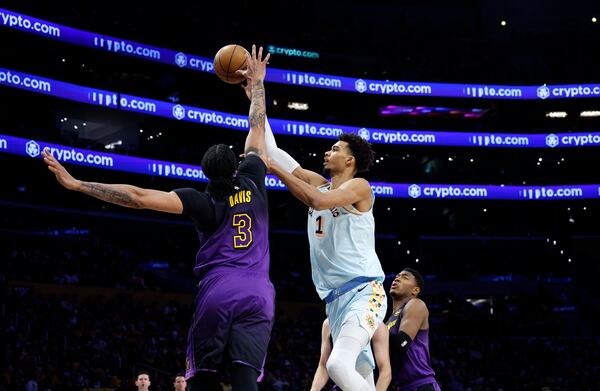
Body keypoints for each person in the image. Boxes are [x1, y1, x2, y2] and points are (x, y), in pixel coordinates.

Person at [43, 45, 272, 391]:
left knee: (203, 374)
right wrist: (257, 85)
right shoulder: (254, 178)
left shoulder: (201, 200)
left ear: (206, 173)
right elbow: (257, 128)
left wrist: (78, 185)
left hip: (219, 288)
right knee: (244, 376)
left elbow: (137, 198)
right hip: (259, 290)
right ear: (237, 164)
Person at [263, 119, 386, 390]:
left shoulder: (360, 187)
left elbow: (315, 201)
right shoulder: (319, 184)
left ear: (350, 160)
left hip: (364, 292)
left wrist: (273, 170)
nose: (327, 153)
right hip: (335, 303)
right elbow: (271, 151)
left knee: (336, 365)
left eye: (334, 149)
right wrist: (256, 90)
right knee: (360, 377)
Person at [387, 268, 440, 391]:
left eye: (404, 277)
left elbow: (402, 343)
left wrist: (374, 329)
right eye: (397, 276)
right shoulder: (389, 321)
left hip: (420, 384)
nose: (397, 278)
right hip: (401, 387)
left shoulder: (415, 304)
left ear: (415, 290)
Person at [311, 319, 391, 391]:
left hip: (365, 383)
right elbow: (323, 366)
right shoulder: (328, 323)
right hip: (340, 384)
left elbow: (385, 371)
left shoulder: (375, 323)